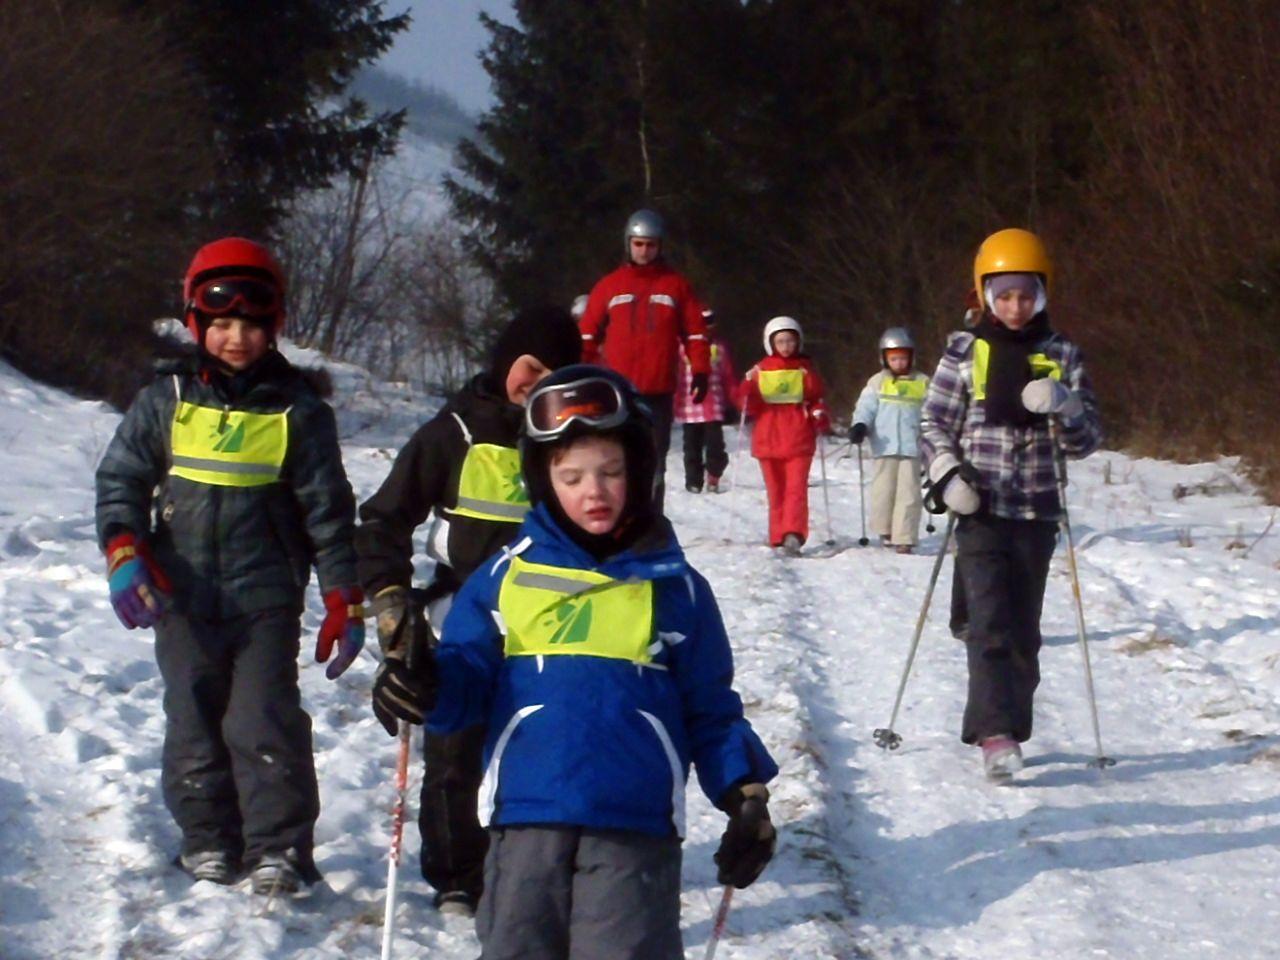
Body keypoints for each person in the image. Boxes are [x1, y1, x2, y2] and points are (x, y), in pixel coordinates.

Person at [419, 364, 778, 959]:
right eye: (572, 475)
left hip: (633, 826)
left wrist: (744, 794)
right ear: (544, 480)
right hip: (525, 820)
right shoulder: (504, 580)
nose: (595, 490)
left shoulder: (677, 590)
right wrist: (424, 680)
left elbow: (710, 710)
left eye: (611, 472)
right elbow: (463, 684)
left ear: (639, 472)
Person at [94, 237, 364, 893]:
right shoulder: (166, 401)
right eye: (221, 323)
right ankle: (208, 841)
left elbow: (329, 513)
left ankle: (277, 849)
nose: (236, 337)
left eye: (251, 323)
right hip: (180, 596)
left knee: (261, 721)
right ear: (196, 324)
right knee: (192, 719)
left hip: (265, 600)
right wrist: (124, 551)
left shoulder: (299, 411)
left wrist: (343, 599)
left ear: (273, 326)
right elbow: (121, 480)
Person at [354, 306, 582, 916]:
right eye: (530, 369)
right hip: (459, 612)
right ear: (506, 363)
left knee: (537, 746)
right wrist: (388, 592)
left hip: (547, 623)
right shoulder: (453, 433)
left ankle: (534, 865)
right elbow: (383, 518)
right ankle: (458, 874)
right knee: (455, 750)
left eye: (556, 375)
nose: (538, 385)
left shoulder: (575, 440)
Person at [920, 228, 1102, 781]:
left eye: (1027, 295)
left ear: (1042, 295)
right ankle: (994, 735)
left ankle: (1012, 725)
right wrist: (947, 473)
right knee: (991, 624)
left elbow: (1088, 438)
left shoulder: (1062, 353)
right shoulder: (963, 352)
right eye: (1004, 295)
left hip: (1038, 511)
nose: (1016, 307)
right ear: (985, 295)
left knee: (1023, 630)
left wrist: (1066, 406)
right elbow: (933, 423)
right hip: (981, 508)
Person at [578, 209, 712, 510]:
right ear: (628, 244)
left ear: (660, 246)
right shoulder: (610, 286)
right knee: (615, 460)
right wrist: (580, 375)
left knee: (653, 461)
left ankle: (650, 525)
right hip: (616, 391)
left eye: (650, 245)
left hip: (658, 391)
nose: (644, 251)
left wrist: (700, 369)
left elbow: (695, 332)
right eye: (638, 244)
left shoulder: (675, 286)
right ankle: (616, 521)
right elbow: (587, 335)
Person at [740, 316, 829, 556]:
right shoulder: (760, 370)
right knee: (775, 489)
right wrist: (746, 391)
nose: (786, 346)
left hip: (798, 437)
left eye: (790, 340)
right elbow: (747, 406)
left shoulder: (805, 369)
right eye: (781, 341)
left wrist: (819, 414)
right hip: (768, 438)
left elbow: (814, 397)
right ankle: (777, 532)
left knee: (796, 489)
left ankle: (793, 533)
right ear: (771, 343)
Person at [848, 327, 930, 554]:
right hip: (884, 446)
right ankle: (884, 528)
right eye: (894, 358)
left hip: (912, 446)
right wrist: (860, 425)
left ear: (912, 357)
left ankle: (904, 536)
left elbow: (931, 410)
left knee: (910, 492)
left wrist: (930, 433)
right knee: (884, 490)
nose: (899, 363)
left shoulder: (922, 382)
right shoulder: (877, 382)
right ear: (884, 358)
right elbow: (865, 407)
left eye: (903, 358)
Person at [675, 307, 739, 493]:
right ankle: (693, 481)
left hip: (714, 404)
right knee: (692, 446)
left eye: (710, 324)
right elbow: (675, 375)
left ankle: (714, 474)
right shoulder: (681, 347)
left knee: (715, 445)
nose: (706, 329)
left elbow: (728, 376)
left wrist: (736, 400)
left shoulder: (718, 347)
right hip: (689, 404)